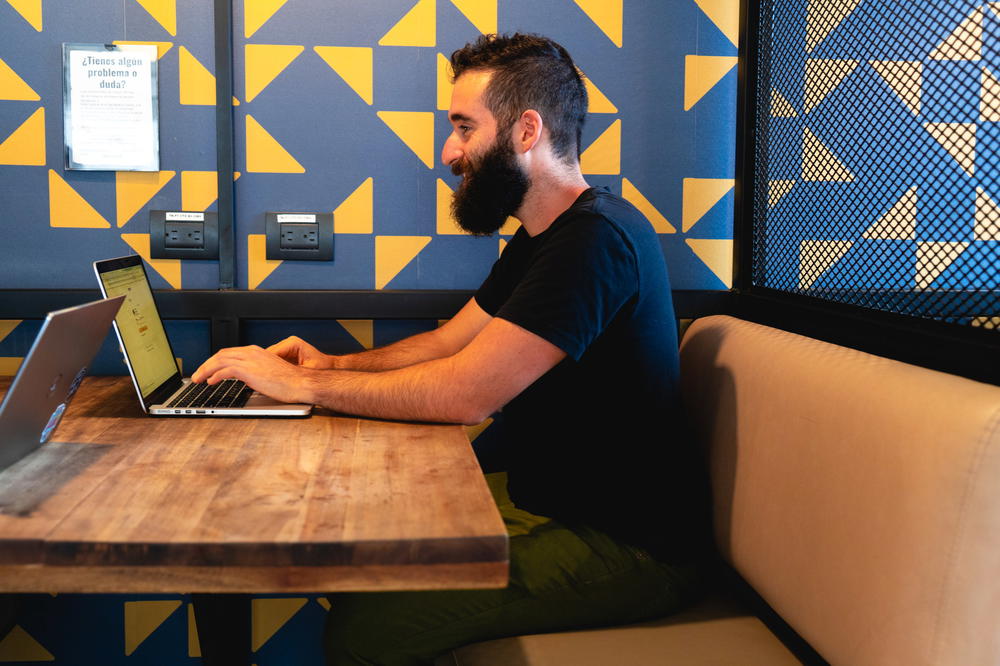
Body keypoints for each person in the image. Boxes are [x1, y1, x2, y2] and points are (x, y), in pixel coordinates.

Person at [193, 32, 708, 666]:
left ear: (525, 131)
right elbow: (447, 343)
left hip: (630, 545)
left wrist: (303, 386)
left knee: (366, 629)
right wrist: (329, 365)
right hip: (547, 500)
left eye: (464, 128)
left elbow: (465, 393)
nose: (449, 151)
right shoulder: (543, 237)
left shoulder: (595, 241)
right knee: (360, 539)